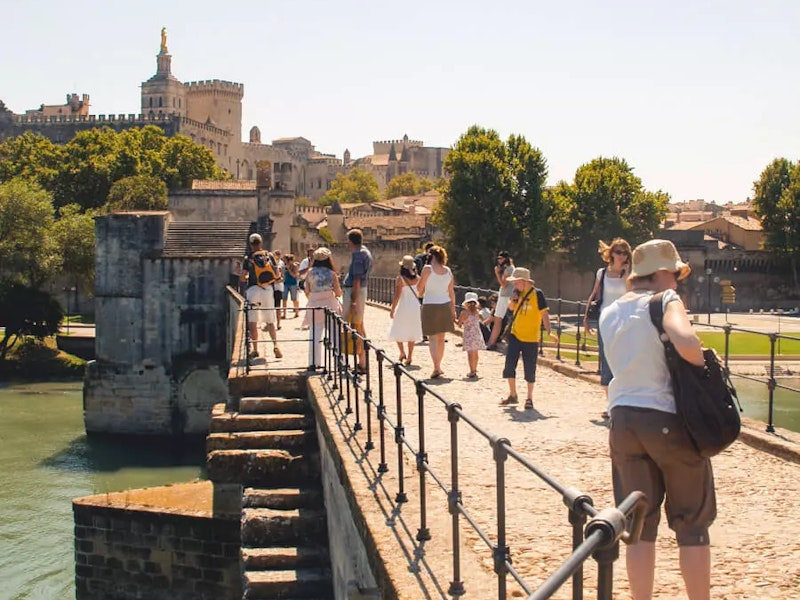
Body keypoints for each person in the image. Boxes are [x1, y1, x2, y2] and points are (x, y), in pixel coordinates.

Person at [599, 239, 711, 600]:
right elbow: (686, 341)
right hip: (666, 419)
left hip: (623, 422)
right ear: (661, 273)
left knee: (639, 526)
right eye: (675, 274)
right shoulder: (666, 300)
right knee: (692, 524)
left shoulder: (611, 311)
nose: (677, 282)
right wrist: (703, 369)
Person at [583, 238, 633, 417]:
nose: (622, 255)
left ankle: (622, 402)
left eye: (625, 252)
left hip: (624, 322)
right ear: (611, 253)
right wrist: (586, 318)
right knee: (606, 360)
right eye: (618, 252)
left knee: (623, 361)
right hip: (605, 321)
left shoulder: (630, 274)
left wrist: (627, 274)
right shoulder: (602, 273)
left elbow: (633, 293)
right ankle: (611, 404)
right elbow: (594, 294)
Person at [499, 267, 557, 409]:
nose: (515, 285)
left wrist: (549, 331)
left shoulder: (538, 294)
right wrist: (513, 300)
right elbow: (510, 310)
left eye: (517, 282)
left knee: (530, 368)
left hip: (531, 337)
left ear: (524, 281)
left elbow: (544, 314)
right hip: (515, 334)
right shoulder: (516, 293)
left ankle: (529, 398)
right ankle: (513, 394)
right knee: (509, 365)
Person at [239, 233, 282, 360]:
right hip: (268, 289)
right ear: (261, 243)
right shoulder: (269, 256)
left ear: (251, 244)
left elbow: (243, 276)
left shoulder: (248, 258)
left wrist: (245, 277)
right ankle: (275, 345)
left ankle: (255, 349)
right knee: (270, 321)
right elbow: (277, 273)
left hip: (253, 289)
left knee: (253, 321)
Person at [417, 245, 456, 379]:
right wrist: (453, 309)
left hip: (430, 305)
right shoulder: (448, 271)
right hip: (444, 304)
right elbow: (451, 292)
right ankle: (439, 365)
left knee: (432, 338)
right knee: (441, 338)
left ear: (432, 257)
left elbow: (420, 288)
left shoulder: (427, 269)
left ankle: (436, 367)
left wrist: (421, 292)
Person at [303, 247, 342, 367]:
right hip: (330, 304)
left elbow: (307, 290)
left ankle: (314, 362)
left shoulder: (310, 273)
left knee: (314, 335)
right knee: (335, 335)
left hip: (314, 305)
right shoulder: (332, 274)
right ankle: (339, 361)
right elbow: (338, 292)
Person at [342, 229, 373, 371]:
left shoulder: (359, 254)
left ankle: (363, 362)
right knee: (359, 324)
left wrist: (354, 301)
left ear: (350, 241)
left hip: (355, 292)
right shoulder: (364, 251)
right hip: (358, 290)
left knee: (356, 325)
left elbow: (357, 279)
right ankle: (363, 360)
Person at [388, 255, 423, 365]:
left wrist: (392, 309)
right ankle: (410, 356)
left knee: (398, 328)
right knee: (412, 331)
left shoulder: (400, 279)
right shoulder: (418, 279)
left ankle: (402, 352)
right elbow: (421, 293)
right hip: (415, 307)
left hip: (403, 306)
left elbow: (397, 296)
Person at [486, 251, 515, 350]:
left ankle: (491, 342)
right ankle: (491, 342)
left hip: (506, 296)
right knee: (499, 319)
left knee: (498, 319)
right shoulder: (508, 269)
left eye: (501, 259)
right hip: (505, 295)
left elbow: (503, 284)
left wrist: (497, 273)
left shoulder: (509, 269)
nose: (499, 261)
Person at [457, 291, 486, 379]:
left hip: (468, 334)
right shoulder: (478, 312)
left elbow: (459, 324)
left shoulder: (464, 313)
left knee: (470, 353)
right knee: (476, 353)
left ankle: (472, 371)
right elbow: (483, 320)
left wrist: (453, 319)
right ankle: (475, 369)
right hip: (477, 333)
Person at [281, 253, 300, 318]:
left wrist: (289, 269)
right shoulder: (284, 266)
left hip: (293, 284)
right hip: (285, 284)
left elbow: (294, 275)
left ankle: (296, 312)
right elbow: (283, 275)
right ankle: (284, 314)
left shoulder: (294, 266)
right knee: (284, 299)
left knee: (294, 299)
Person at [272, 250, 285, 330]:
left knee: (278, 306)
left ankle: (278, 323)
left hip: (278, 287)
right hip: (271, 287)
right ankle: (270, 323)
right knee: (270, 306)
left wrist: (277, 281)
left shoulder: (281, 264)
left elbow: (283, 277)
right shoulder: (270, 263)